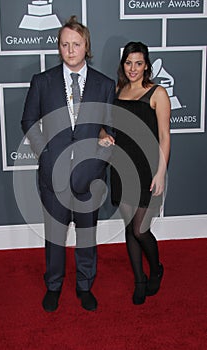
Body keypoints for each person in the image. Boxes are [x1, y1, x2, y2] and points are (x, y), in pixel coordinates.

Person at [21, 16, 115, 312]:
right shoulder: (43, 81)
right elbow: (28, 120)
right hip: (53, 175)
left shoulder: (104, 84)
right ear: (59, 48)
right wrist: (45, 153)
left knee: (87, 235)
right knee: (55, 237)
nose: (70, 50)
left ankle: (85, 285)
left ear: (86, 46)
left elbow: (109, 126)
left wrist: (104, 143)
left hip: (89, 177)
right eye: (65, 44)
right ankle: (54, 286)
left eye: (76, 44)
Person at [102, 42, 170, 305]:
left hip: (147, 167)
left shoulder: (157, 93)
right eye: (128, 63)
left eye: (138, 63)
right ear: (123, 64)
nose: (133, 68)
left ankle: (157, 269)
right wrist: (103, 135)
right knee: (129, 227)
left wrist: (161, 172)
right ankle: (139, 280)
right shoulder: (117, 91)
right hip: (121, 166)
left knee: (141, 229)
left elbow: (164, 136)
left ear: (146, 65)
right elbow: (106, 127)